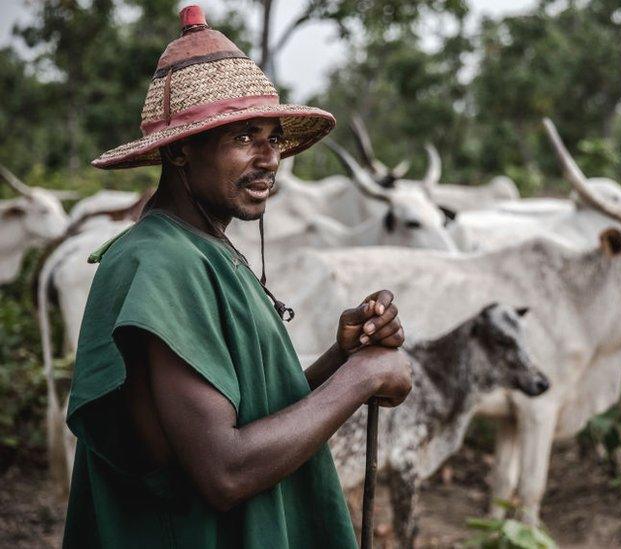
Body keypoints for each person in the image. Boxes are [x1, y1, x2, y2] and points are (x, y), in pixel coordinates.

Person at [62, 6, 411, 547]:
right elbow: (224, 470)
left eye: (273, 138)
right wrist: (363, 378)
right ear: (179, 148)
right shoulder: (159, 263)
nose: (270, 158)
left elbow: (248, 415)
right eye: (245, 137)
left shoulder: (205, 247)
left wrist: (341, 359)